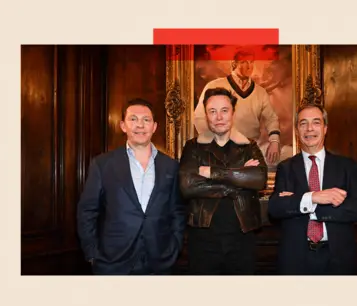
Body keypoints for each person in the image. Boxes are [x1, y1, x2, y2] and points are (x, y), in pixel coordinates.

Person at [77, 98, 186, 275]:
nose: (140, 125)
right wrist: (92, 253)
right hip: (113, 262)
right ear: (123, 125)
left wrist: (175, 246)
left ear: (154, 126)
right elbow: (87, 211)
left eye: (146, 120)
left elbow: (177, 211)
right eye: (133, 119)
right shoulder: (103, 164)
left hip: (160, 261)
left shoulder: (171, 166)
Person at [267, 104, 357, 275]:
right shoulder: (285, 168)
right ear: (297, 130)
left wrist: (304, 204)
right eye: (303, 123)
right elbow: (275, 208)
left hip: (338, 257)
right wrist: (314, 197)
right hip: (296, 259)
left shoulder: (346, 166)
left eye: (316, 122)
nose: (309, 129)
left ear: (325, 128)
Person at [179, 87, 268, 275]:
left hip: (242, 237)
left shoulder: (248, 146)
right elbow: (187, 185)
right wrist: (237, 181)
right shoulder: (193, 147)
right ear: (206, 115)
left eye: (224, 110)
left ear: (233, 113)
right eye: (213, 111)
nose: (219, 117)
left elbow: (259, 180)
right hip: (203, 239)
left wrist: (212, 172)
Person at [193, 48, 281, 165]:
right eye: (244, 62)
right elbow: (199, 117)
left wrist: (274, 141)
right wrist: (213, 144)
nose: (249, 66)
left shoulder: (260, 92)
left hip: (250, 150)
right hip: (220, 150)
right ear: (234, 64)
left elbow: (271, 118)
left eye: (251, 62)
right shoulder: (215, 85)